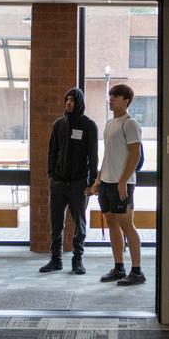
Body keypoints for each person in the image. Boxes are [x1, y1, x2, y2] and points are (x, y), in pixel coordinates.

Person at [90, 84, 145, 286]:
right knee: (112, 223)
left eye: (116, 96)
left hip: (123, 184)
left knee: (126, 225)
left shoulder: (130, 124)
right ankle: (119, 266)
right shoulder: (109, 123)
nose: (111, 99)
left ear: (126, 100)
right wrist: (98, 180)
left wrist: (123, 181)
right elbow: (107, 155)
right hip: (106, 182)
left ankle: (137, 270)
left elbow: (135, 155)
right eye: (110, 96)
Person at [40, 88, 98, 275]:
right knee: (56, 222)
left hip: (78, 184)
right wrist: (51, 173)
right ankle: (55, 259)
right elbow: (52, 151)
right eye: (66, 100)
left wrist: (91, 182)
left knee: (79, 223)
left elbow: (93, 156)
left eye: (72, 100)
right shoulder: (59, 125)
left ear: (79, 102)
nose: (68, 103)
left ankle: (77, 260)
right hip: (58, 183)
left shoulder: (89, 125)